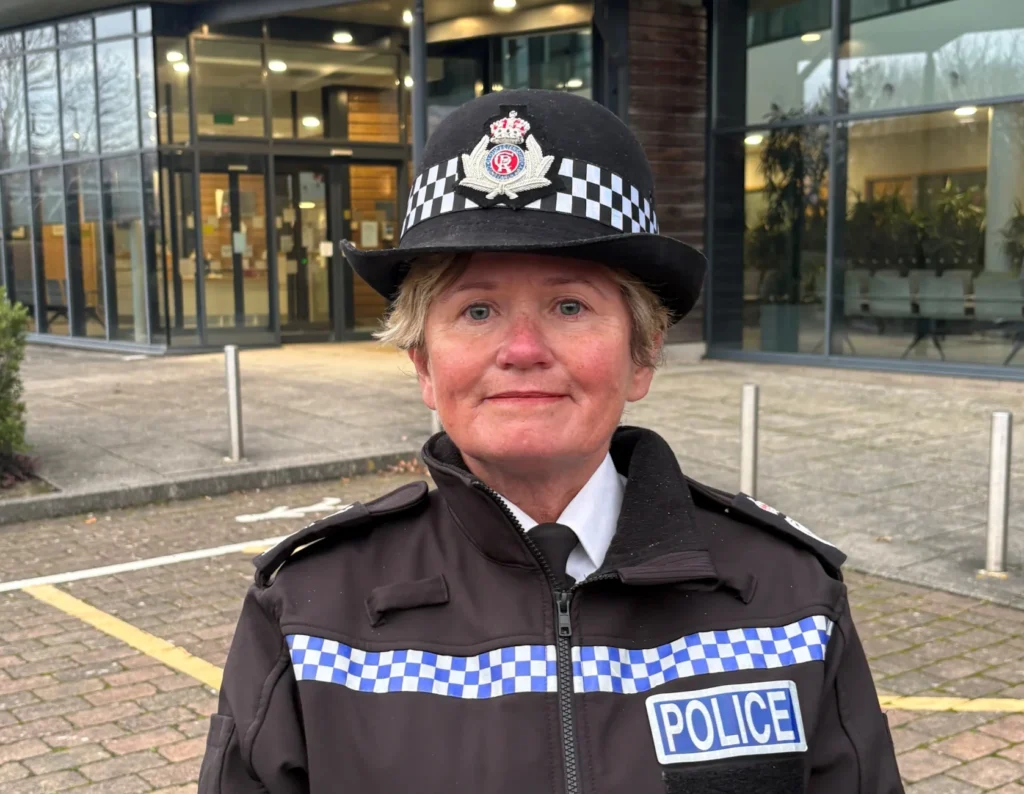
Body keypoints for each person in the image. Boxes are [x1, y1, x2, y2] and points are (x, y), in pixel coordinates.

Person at [199, 89, 903, 794]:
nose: (523, 349)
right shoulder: (310, 616)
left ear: (643, 355)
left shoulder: (790, 601)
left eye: (570, 306)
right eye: (477, 310)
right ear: (424, 364)